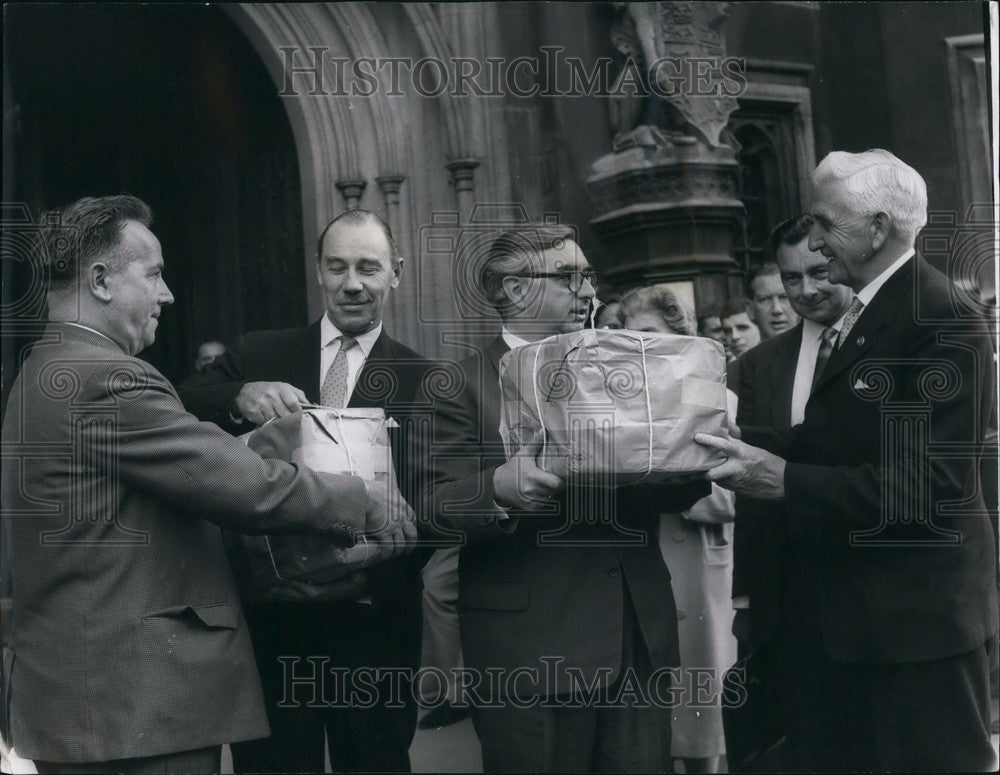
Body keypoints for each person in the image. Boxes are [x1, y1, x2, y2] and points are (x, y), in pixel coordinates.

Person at [0, 195, 412, 774]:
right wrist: (360, 498)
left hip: (95, 706)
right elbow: (243, 486)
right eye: (155, 274)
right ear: (100, 281)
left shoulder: (48, 365)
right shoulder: (105, 378)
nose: (167, 294)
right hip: (136, 710)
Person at [696, 150, 998, 772]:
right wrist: (741, 439)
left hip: (915, 627)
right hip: (855, 622)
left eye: (826, 225)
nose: (817, 241)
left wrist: (782, 480)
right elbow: (838, 441)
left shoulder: (939, 317)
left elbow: (928, 487)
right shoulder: (872, 307)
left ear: (878, 229)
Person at [423, 225, 708, 772]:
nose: (587, 292)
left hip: (636, 644)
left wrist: (693, 448)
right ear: (510, 289)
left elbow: (682, 484)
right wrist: (500, 489)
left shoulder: (632, 368)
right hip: (532, 655)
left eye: (588, 276)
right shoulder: (458, 384)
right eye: (566, 277)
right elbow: (429, 507)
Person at [178, 209, 434, 773]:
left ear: (396, 273)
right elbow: (181, 399)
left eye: (369, 268)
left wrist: (404, 539)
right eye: (337, 266)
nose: (352, 284)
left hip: (375, 625)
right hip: (275, 623)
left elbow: (439, 495)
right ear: (318, 271)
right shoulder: (262, 353)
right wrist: (240, 393)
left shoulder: (428, 380)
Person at [725, 214, 854, 772]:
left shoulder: (878, 343)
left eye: (818, 273)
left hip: (870, 574)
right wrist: (747, 597)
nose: (803, 293)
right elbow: (751, 486)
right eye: (789, 279)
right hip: (789, 579)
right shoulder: (757, 366)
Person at [618, 285, 738, 775]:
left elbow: (733, 494)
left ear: (679, 336)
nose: (640, 348)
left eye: (650, 335)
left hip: (699, 563)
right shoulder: (618, 406)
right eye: (629, 338)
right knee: (655, 709)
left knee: (700, 698)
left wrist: (670, 481)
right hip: (646, 560)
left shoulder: (714, 395)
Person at [745, 260, 798, 340]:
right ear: (750, 310)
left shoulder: (819, 351)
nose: (777, 309)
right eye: (764, 299)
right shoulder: (750, 353)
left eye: (784, 297)